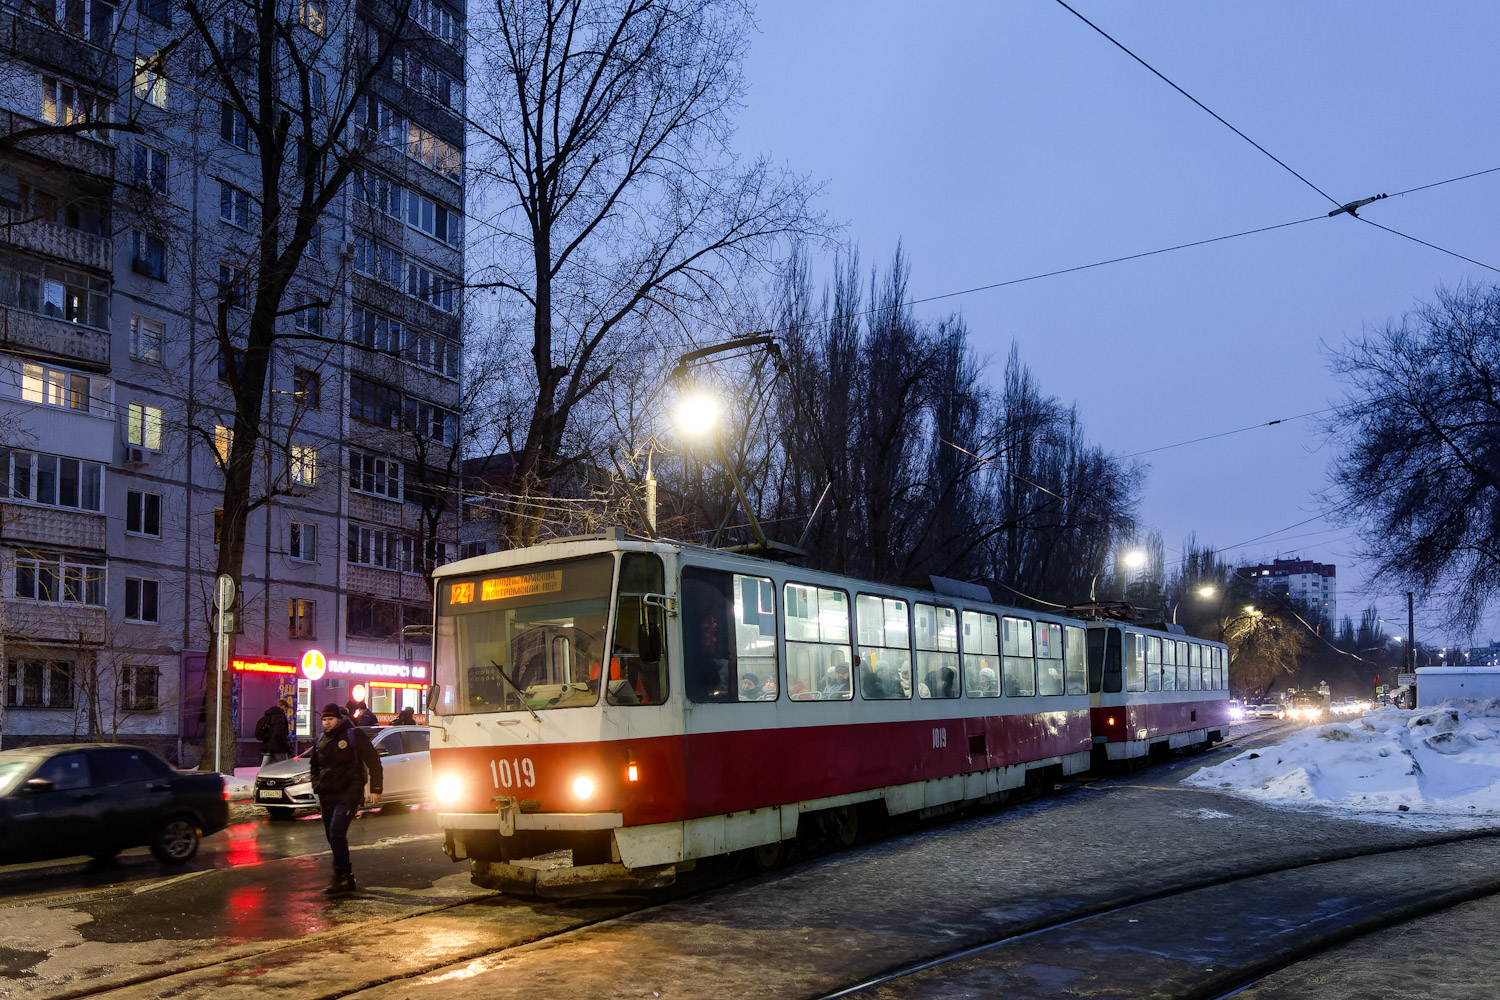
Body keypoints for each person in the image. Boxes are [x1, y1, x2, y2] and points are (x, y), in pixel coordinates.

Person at [310, 703, 383, 895]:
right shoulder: (320, 740)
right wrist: (316, 784)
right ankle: (346, 877)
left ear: (339, 719)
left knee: (336, 833)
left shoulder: (353, 735)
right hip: (327, 795)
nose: (327, 723)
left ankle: (341, 877)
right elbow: (314, 766)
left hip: (349, 794)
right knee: (332, 838)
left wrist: (376, 789)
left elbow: (374, 761)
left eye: (330, 719)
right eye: (324, 720)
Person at [255, 700, 292, 766]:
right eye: (286, 709)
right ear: (283, 706)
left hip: (267, 745)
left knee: (264, 765)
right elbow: (280, 733)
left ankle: (260, 775)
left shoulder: (268, 715)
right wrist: (286, 746)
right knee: (284, 765)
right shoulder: (280, 717)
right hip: (279, 747)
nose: (285, 711)